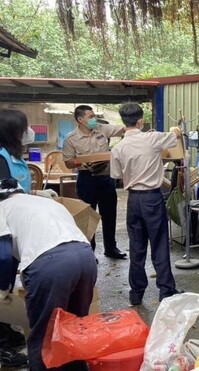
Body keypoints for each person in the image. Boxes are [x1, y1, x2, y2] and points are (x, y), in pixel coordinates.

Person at [0, 177, 97, 370]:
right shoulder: (45, 202)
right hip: (86, 258)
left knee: (43, 338)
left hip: (52, 266)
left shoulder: (2, 208)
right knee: (73, 331)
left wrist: (3, 289)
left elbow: (3, 255)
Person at [0, 109, 58, 368]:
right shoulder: (1, 158)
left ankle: (5, 330)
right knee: (0, 288)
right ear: (12, 132)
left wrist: (37, 194)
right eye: (24, 129)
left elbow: (22, 188)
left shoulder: (15, 156)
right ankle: (2, 349)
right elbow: (6, 191)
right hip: (3, 228)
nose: (28, 133)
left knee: (8, 286)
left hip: (16, 229)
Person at [110, 103, 183, 306]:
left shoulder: (118, 148)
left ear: (124, 123)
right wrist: (176, 129)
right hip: (152, 198)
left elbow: (116, 175)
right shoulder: (152, 138)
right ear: (141, 121)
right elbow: (176, 135)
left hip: (133, 199)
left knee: (137, 247)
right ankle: (166, 291)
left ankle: (136, 293)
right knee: (159, 244)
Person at [62, 105, 127, 260]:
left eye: (94, 116)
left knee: (109, 215)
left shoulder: (102, 129)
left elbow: (123, 129)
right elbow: (69, 162)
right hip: (86, 180)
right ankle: (89, 251)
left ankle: (111, 249)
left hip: (105, 178)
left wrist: (132, 128)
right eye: (90, 117)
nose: (94, 119)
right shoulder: (71, 138)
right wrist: (83, 164)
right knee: (87, 217)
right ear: (80, 120)